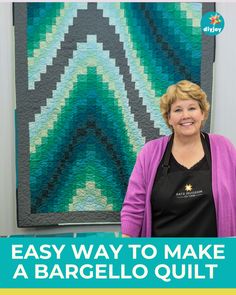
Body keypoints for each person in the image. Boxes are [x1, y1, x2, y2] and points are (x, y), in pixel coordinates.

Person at [121, 80, 236, 237]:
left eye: (192, 108)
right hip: (161, 257)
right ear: (169, 118)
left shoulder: (223, 147)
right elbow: (134, 207)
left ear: (202, 113)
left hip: (213, 257)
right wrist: (126, 248)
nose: (185, 115)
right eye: (177, 110)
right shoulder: (150, 152)